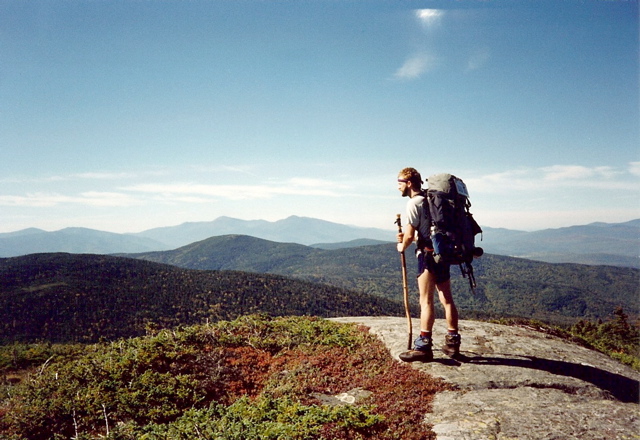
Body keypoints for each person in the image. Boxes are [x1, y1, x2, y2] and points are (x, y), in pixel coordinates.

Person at [396, 167, 461, 362]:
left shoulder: (414, 203)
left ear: (409, 183)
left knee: (426, 301)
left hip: (426, 255)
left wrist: (402, 246)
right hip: (443, 253)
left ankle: (423, 345)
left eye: (399, 182)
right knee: (447, 299)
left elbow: (409, 235)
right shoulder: (431, 200)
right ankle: (452, 342)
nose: (397, 187)